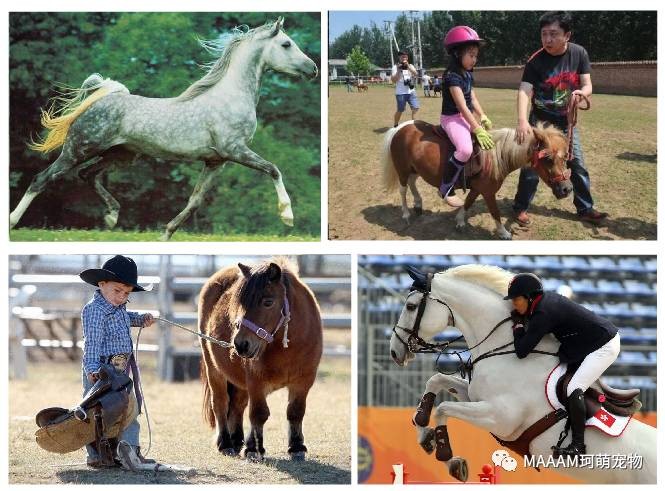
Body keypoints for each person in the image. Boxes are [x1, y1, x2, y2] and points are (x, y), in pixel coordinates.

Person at [504, 273, 620, 457]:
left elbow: (521, 351)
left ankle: (578, 446)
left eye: (516, 299)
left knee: (574, 387)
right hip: (589, 341)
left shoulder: (543, 313)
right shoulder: (541, 304)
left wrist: (517, 327)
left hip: (604, 346)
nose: (513, 304)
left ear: (530, 297)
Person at [512, 11, 608, 226]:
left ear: (567, 35)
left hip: (566, 124)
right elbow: (524, 91)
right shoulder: (535, 61)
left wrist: (583, 93)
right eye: (544, 34)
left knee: (578, 164)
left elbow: (587, 84)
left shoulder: (579, 54)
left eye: (554, 34)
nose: (548, 39)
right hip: (541, 126)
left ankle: (585, 208)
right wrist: (522, 121)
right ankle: (520, 207)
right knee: (532, 169)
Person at [79, 255, 155, 469]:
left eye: (127, 293)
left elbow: (125, 316)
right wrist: (92, 368)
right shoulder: (94, 311)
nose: (122, 297)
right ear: (102, 284)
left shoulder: (117, 307)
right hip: (101, 370)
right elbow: (91, 342)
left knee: (129, 407)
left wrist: (140, 319)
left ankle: (130, 450)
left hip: (120, 370)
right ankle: (96, 455)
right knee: (97, 412)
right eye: (117, 291)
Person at [439, 25, 494, 208]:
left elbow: (472, 97)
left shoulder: (468, 74)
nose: (474, 60)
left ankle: (471, 178)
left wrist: (483, 115)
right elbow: (462, 106)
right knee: (465, 150)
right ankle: (446, 187)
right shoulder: (451, 76)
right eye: (471, 55)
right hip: (452, 118)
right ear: (456, 54)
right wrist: (476, 127)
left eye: (476, 55)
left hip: (465, 116)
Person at [391, 50, 420, 127]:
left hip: (411, 91)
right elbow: (393, 80)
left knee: (415, 108)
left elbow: (416, 74)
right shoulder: (395, 67)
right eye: (402, 56)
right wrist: (398, 70)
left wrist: (408, 67)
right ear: (399, 57)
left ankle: (414, 125)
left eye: (406, 56)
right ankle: (395, 124)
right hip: (401, 93)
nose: (404, 57)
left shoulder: (410, 65)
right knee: (400, 110)